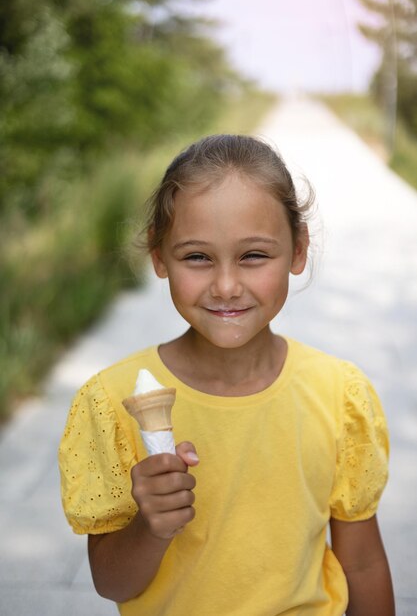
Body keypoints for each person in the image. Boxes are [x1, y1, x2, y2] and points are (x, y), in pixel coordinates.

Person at [59, 134, 395, 615]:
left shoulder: (339, 395)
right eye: (197, 257)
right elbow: (112, 583)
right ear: (159, 256)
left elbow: (361, 564)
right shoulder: (111, 403)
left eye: (254, 255)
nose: (226, 286)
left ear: (298, 251)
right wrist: (151, 526)